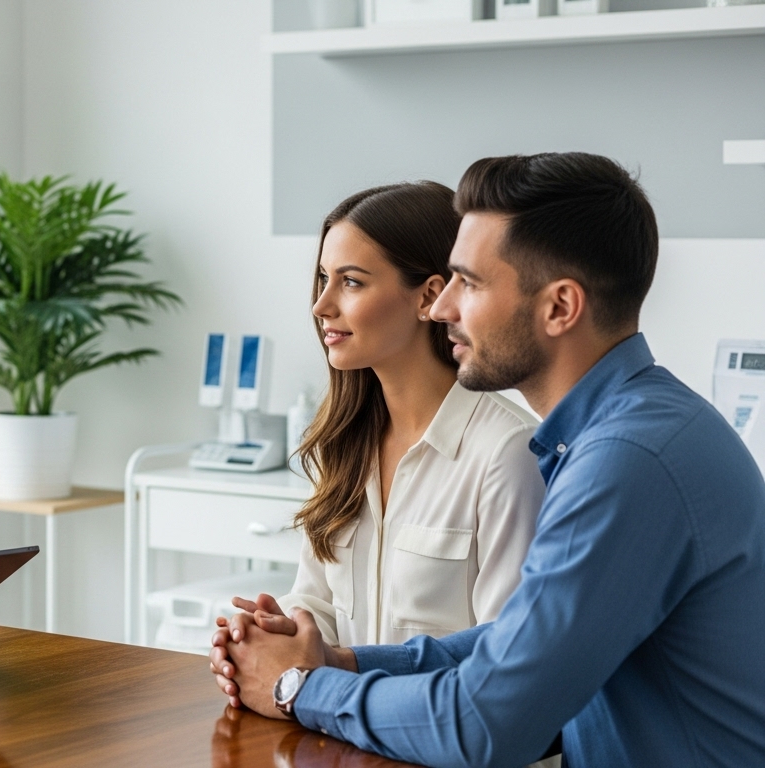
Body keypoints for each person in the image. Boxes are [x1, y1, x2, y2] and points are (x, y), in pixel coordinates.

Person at [211, 152, 765, 766]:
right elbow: (514, 647)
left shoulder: (628, 461)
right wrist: (341, 661)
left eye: (469, 283)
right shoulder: (623, 433)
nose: (443, 307)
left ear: (559, 307)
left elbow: (488, 724)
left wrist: (300, 689)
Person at [263, 182, 543, 654]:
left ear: (429, 296)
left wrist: (342, 670)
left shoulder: (509, 452)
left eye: (351, 281)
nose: (321, 305)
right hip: (335, 722)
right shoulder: (345, 441)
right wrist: (278, 632)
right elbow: (318, 604)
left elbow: (505, 655)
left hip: (431, 727)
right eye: (323, 278)